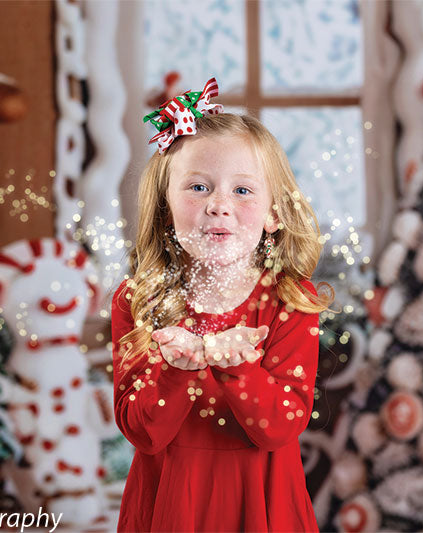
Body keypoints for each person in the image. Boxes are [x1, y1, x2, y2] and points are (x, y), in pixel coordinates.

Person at [111, 78, 334, 532]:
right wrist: (178, 371)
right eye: (197, 187)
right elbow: (142, 431)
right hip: (170, 506)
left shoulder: (291, 302)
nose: (218, 206)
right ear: (165, 209)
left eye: (243, 191)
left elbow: (280, 428)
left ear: (275, 213)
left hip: (263, 507)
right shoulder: (138, 302)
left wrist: (241, 369)